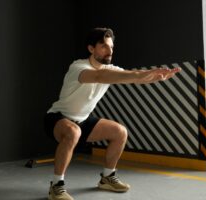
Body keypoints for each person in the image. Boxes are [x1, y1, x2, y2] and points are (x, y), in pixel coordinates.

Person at [44, 27, 181, 200]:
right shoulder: (78, 67)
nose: (109, 51)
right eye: (103, 46)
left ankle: (107, 177)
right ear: (91, 49)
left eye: (111, 47)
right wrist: (143, 74)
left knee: (120, 131)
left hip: (82, 121)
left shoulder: (110, 69)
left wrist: (154, 77)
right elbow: (100, 76)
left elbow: (129, 77)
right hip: (57, 118)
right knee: (73, 131)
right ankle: (56, 186)